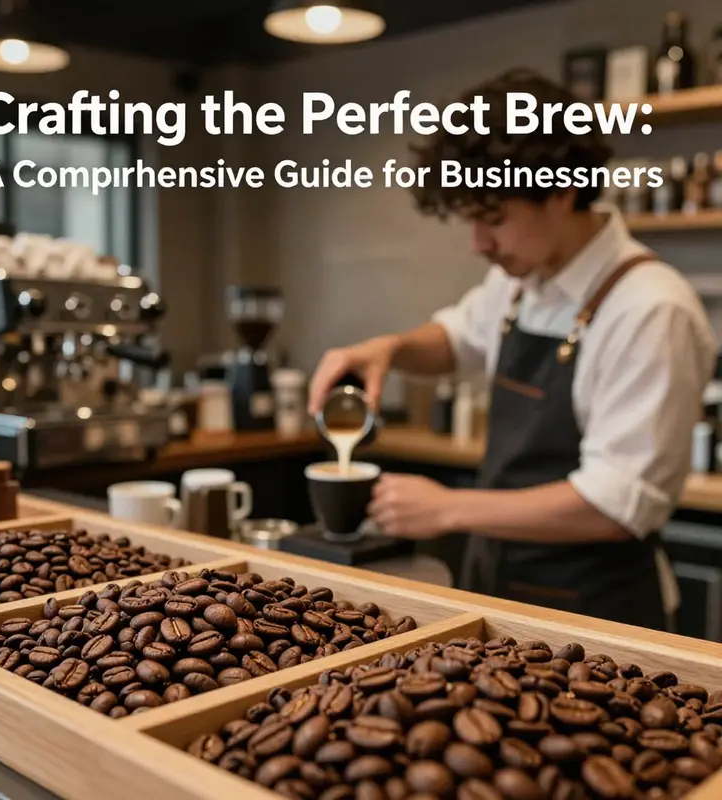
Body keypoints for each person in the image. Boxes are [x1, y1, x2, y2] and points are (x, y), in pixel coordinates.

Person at [307, 68, 719, 631]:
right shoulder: (525, 279)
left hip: (597, 617)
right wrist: (389, 349)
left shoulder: (650, 308)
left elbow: (618, 504)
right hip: (500, 586)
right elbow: (459, 340)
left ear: (562, 189)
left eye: (493, 219)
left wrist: (448, 507)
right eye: (469, 220)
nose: (479, 244)